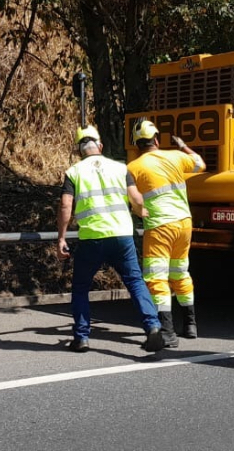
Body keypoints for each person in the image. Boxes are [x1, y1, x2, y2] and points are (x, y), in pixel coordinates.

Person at [56, 125, 166, 354]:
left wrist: (61, 237)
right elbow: (136, 199)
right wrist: (141, 212)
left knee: (81, 288)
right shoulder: (120, 168)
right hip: (122, 236)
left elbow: (66, 205)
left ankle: (81, 337)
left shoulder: (74, 172)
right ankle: (153, 327)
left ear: (79, 150)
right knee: (135, 282)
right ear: (100, 145)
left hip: (92, 238)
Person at [126, 119, 205, 348]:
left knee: (156, 277)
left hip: (159, 226)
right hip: (184, 223)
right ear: (157, 140)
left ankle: (168, 332)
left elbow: (133, 200)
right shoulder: (175, 156)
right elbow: (200, 164)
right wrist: (183, 146)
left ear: (137, 145)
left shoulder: (133, 167)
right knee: (180, 272)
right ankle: (190, 324)